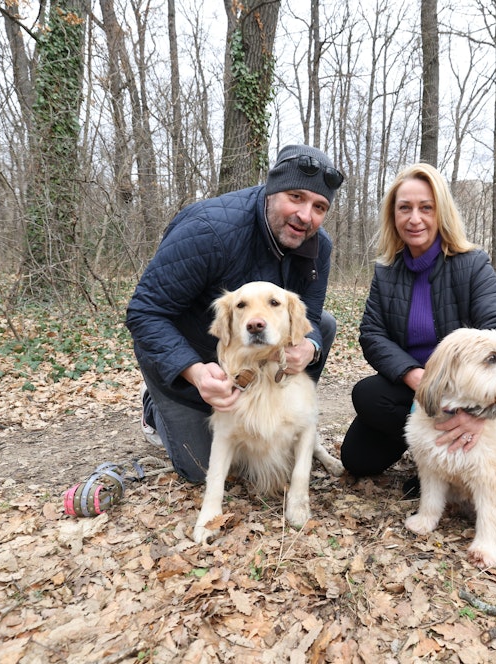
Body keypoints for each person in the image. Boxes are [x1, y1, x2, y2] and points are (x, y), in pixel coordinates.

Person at [126, 145, 345, 482]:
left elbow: (312, 317)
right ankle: (155, 409)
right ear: (272, 190)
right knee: (204, 471)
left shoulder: (319, 246)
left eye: (319, 207)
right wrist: (195, 373)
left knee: (325, 326)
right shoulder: (210, 231)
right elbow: (145, 312)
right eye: (296, 197)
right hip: (194, 354)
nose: (306, 216)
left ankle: (283, 412)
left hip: (257, 358)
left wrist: (310, 346)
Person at [339, 163, 496, 489]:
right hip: (415, 389)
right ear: (392, 215)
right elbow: (372, 333)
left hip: (461, 390)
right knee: (359, 447)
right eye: (404, 208)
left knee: (373, 408)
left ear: (442, 212)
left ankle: (441, 468)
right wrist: (416, 376)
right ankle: (431, 449)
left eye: (426, 208)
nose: (415, 218)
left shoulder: (471, 264)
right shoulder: (387, 271)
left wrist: (484, 411)